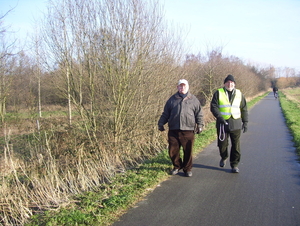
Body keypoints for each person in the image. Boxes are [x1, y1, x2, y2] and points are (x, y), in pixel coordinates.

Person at [158, 79, 204, 177]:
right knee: (173, 150)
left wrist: (200, 125)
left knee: (188, 150)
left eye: (184, 86)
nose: (182, 87)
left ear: (188, 87)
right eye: (180, 86)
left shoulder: (193, 99)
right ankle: (177, 166)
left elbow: (199, 114)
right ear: (177, 87)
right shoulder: (172, 99)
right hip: (174, 129)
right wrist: (161, 123)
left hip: (188, 130)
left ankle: (187, 169)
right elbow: (166, 113)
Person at [210, 74, 248, 173]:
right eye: (227, 82)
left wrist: (245, 122)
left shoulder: (240, 94)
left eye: (231, 82)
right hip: (222, 124)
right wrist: (219, 117)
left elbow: (244, 108)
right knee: (222, 144)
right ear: (224, 83)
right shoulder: (218, 93)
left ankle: (234, 165)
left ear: (234, 84)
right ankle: (224, 157)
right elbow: (213, 106)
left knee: (236, 146)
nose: (229, 84)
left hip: (236, 123)